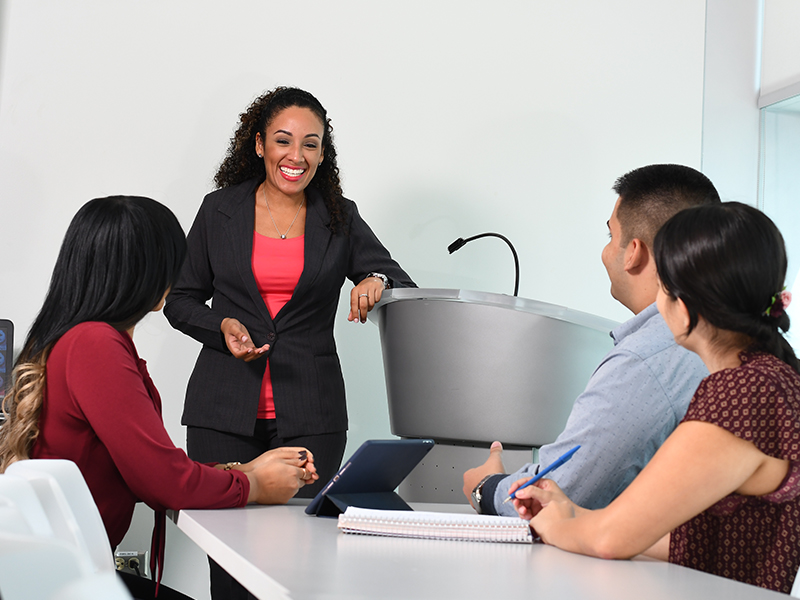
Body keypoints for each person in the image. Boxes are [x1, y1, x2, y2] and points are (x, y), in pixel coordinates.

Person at [163, 86, 415, 599]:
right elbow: (180, 299)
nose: (296, 156)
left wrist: (376, 282)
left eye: (311, 144)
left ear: (324, 154)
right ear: (258, 145)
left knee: (299, 563)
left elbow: (399, 281)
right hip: (222, 415)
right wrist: (221, 327)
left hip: (310, 415)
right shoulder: (219, 211)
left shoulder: (339, 216)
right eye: (283, 141)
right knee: (230, 569)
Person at [0, 196, 318, 600]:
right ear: (145, 272)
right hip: (72, 584)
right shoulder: (95, 344)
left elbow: (146, 468)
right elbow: (164, 483)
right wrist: (254, 484)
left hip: (66, 577)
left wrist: (240, 469)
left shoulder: (83, 339)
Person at [513, 202, 800, 594]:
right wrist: (572, 513)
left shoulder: (741, 393)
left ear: (684, 309)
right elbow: (706, 545)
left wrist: (550, 525)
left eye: (662, 287)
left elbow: (609, 540)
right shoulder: (774, 379)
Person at [463, 164, 717, 516]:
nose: (606, 251)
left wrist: (486, 487)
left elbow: (563, 494)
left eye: (611, 236)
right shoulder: (721, 339)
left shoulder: (648, 360)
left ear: (634, 252)